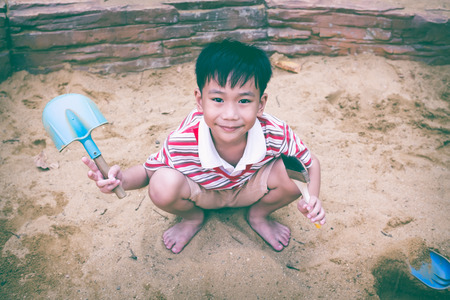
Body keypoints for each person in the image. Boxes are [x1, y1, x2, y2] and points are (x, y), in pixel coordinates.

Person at [82, 39, 326, 254]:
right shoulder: (184, 139)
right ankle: (192, 219)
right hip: (203, 195)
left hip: (250, 190)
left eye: (244, 101)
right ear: (200, 101)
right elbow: (148, 172)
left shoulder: (274, 131)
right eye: (218, 100)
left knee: (295, 174)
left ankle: (259, 215)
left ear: (261, 104)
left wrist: (311, 198)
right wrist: (120, 180)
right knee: (162, 184)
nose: (230, 114)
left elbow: (310, 164)